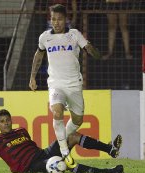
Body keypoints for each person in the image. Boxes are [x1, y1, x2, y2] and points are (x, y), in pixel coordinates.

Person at [29, 4, 101, 159]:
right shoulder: (45, 37)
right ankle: (64, 152)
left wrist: (91, 49)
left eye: (59, 19)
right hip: (56, 84)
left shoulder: (74, 35)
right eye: (53, 19)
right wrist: (32, 77)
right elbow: (39, 54)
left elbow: (89, 49)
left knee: (78, 120)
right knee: (56, 112)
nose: (56, 22)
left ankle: (59, 143)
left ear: (66, 19)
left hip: (74, 85)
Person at [0, 109, 123, 173]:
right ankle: (108, 172)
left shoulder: (21, 130)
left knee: (71, 135)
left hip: (42, 154)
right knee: (62, 163)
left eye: (8, 120)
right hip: (30, 167)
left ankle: (109, 149)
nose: (6, 123)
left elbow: (31, 148)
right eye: (2, 121)